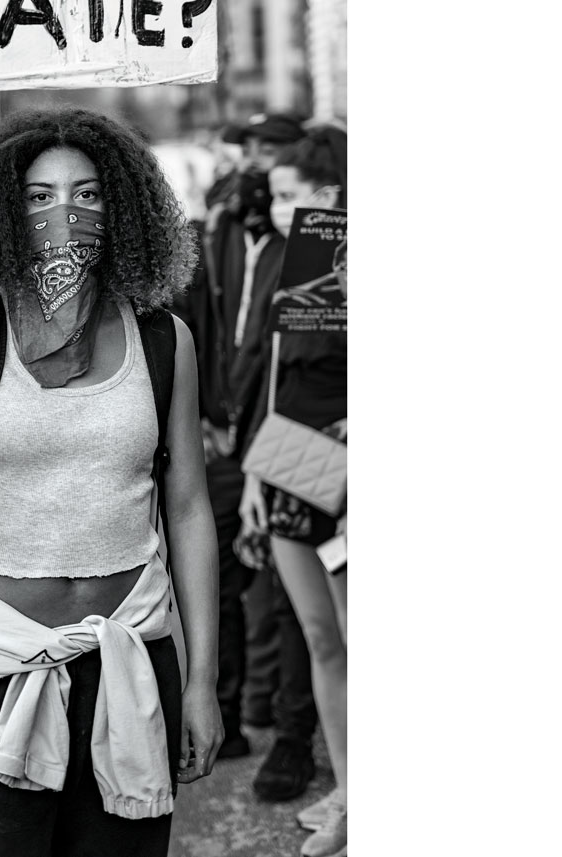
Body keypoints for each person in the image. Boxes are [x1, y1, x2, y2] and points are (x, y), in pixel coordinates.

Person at [0, 107, 219, 857]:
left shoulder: (164, 339)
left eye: (88, 193)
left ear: (122, 209)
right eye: (38, 196)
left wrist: (200, 683)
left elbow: (189, 509)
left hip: (130, 667)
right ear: (5, 214)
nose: (64, 212)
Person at [193, 112, 324, 803]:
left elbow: (306, 373)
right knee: (230, 572)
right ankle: (244, 711)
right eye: (274, 195)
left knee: (309, 616)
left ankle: (295, 734)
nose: (282, 209)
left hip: (311, 443)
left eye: (299, 194)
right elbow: (270, 360)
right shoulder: (231, 235)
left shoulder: (318, 262)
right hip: (256, 438)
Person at [239, 125, 349, 857]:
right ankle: (349, 789)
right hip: (293, 458)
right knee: (320, 636)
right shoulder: (298, 263)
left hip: (346, 461)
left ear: (330, 195)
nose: (276, 208)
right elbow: (284, 377)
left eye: (289, 195)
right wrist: (258, 468)